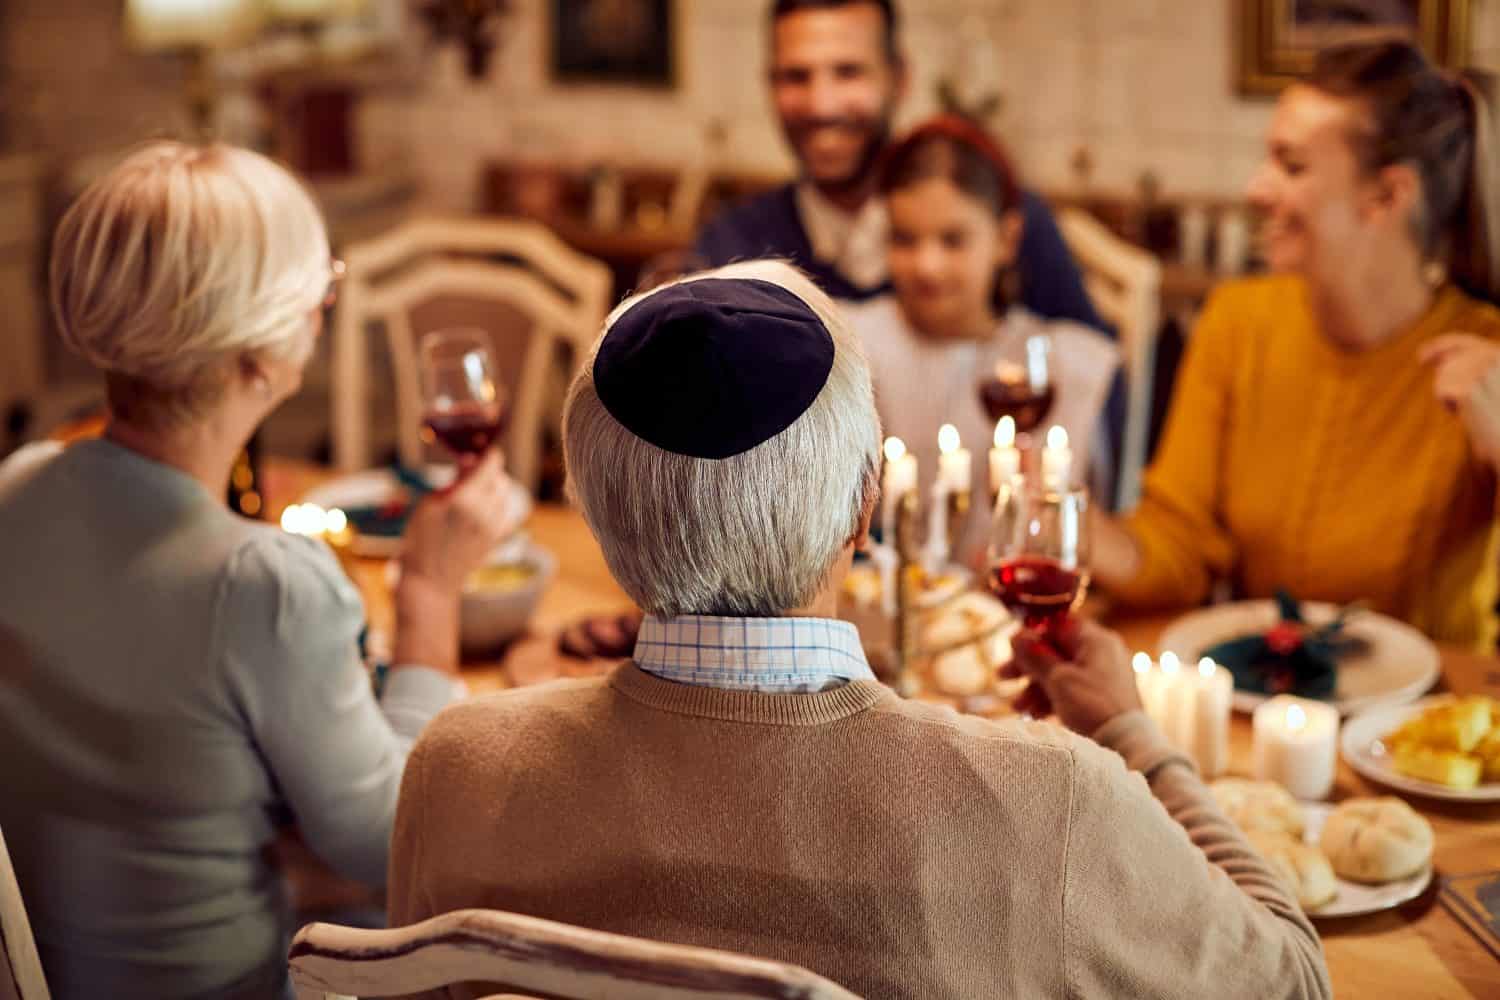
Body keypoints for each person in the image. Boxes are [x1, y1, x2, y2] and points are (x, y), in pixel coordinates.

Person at [387, 260, 1330, 1000]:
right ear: (865, 503)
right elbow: (1293, 980)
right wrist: (1137, 738)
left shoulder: (456, 767)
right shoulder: (1051, 802)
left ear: (590, 508)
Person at [0, 142, 517, 999]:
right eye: (320, 286)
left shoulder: (14, 485)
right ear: (259, 355)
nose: (324, 304)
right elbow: (395, 845)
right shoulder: (263, 585)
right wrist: (428, 593)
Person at [1091, 39, 1500, 651]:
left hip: (1424, 727)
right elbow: (1180, 545)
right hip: (1268, 704)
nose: (1257, 189)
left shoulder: (1487, 354)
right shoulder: (1238, 323)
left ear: (1387, 196)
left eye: (1292, 165)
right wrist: (1074, 527)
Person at [693, 0, 1100, 328]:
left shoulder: (996, 219)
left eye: (848, 72)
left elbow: (1097, 383)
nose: (822, 104)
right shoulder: (735, 250)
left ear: (899, 79)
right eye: (796, 77)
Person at [848, 116, 1120, 559]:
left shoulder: (1062, 364)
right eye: (904, 239)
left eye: (953, 240)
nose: (926, 266)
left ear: (1005, 239)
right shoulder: (851, 340)